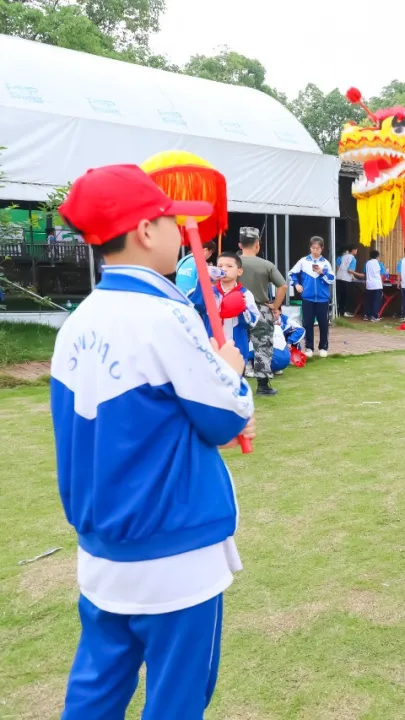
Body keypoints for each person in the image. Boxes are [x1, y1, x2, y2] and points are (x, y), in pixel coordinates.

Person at [51, 164, 256, 717]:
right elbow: (224, 416)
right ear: (146, 230)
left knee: (96, 687)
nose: (181, 236)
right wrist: (231, 370)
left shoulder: (77, 321)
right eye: (171, 222)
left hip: (102, 548)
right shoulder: (164, 315)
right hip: (173, 548)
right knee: (177, 698)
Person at [238, 227, 288, 396]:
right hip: (260, 309)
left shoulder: (232, 263)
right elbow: (283, 286)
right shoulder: (266, 265)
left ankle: (233, 382)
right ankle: (263, 386)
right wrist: (275, 306)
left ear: (240, 244)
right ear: (257, 245)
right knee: (262, 346)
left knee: (235, 344)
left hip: (235, 308)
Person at [189, 252, 260, 367]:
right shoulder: (210, 291)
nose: (224, 269)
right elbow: (197, 305)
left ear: (239, 271)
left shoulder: (245, 294)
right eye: (220, 266)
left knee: (235, 382)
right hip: (212, 348)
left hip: (236, 349)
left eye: (229, 266)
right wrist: (203, 281)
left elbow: (253, 321)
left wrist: (242, 309)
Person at [290, 236, 335, 357]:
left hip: (323, 299)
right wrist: (297, 284)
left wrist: (322, 273)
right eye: (313, 248)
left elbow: (331, 280)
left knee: (323, 323)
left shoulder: (325, 263)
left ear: (322, 249)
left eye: (318, 248)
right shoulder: (303, 261)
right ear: (310, 248)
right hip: (307, 298)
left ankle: (323, 347)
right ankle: (309, 348)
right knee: (308, 323)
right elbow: (292, 273)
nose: (315, 250)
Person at [337, 245, 363, 317]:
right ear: (353, 250)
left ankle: (340, 311)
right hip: (347, 280)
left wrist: (354, 278)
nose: (356, 252)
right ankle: (347, 312)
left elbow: (339, 267)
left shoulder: (342, 257)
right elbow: (350, 270)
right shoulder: (353, 259)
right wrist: (359, 275)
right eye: (356, 250)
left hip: (339, 278)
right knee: (348, 296)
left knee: (341, 296)